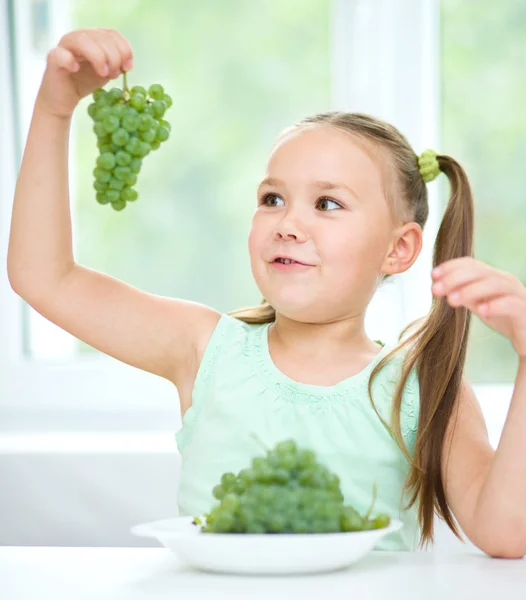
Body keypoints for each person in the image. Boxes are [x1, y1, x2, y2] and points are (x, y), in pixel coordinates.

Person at [7, 28, 526, 558]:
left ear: (398, 249)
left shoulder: (423, 386)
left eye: (328, 204)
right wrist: (54, 111)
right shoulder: (205, 348)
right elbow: (44, 277)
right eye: (272, 198)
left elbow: (506, 533)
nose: (288, 223)